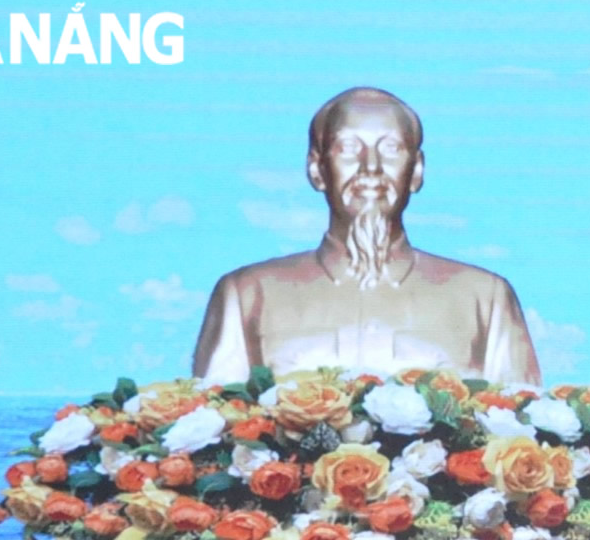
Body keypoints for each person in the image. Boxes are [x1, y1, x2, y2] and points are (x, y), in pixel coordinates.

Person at [192, 86, 539, 387]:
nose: (370, 167)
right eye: (347, 148)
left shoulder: (485, 299)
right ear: (316, 169)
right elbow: (210, 441)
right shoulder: (248, 295)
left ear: (416, 171)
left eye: (390, 149)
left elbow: (522, 439)